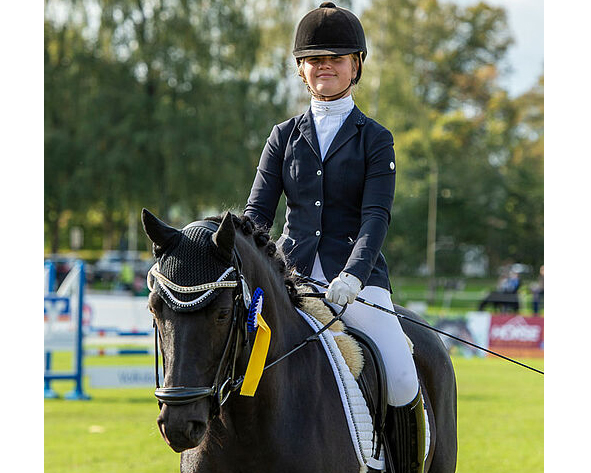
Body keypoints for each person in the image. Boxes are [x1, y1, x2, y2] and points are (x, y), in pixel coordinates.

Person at [244, 3, 424, 472]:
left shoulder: (375, 139)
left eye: (337, 57)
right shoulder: (282, 138)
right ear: (302, 70)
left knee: (403, 377)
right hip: (292, 284)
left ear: (355, 66)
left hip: (357, 284)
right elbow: (256, 217)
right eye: (315, 58)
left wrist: (353, 276)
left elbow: (376, 217)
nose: (326, 65)